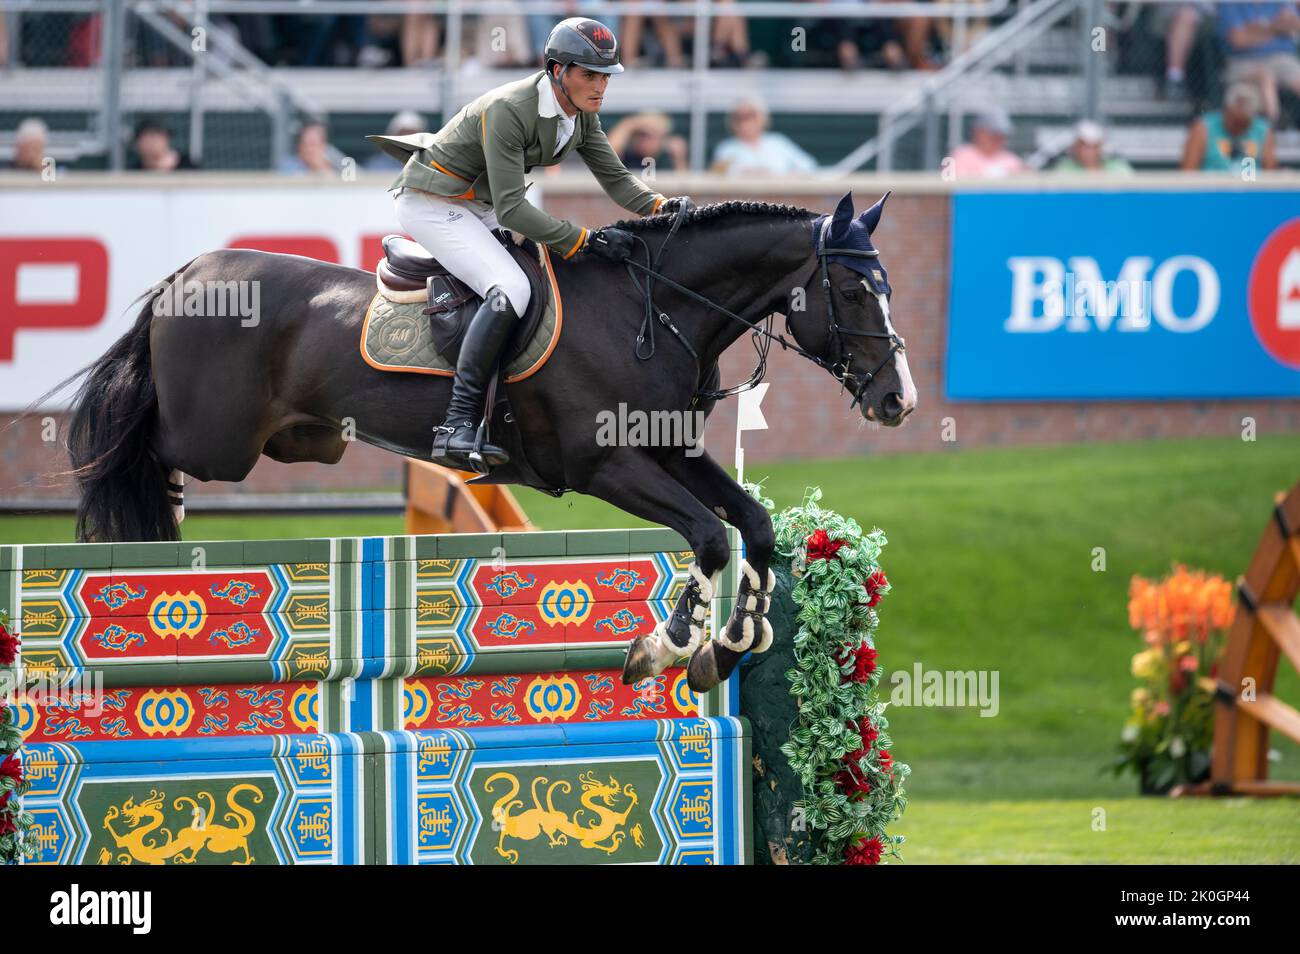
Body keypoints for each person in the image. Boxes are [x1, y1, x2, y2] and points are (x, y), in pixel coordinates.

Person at [366, 18, 691, 472]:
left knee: (546, 276)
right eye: (589, 75)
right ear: (557, 70)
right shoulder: (509, 109)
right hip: (432, 202)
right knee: (512, 287)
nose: (600, 87)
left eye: (605, 76)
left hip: (477, 202)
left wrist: (661, 207)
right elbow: (515, 210)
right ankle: (456, 424)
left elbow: (616, 179)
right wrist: (585, 239)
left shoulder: (581, 115)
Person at [1217, 1, 1300, 121]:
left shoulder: (1282, 2)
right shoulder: (1229, 4)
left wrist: (1256, 29)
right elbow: (1239, 39)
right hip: (1243, 61)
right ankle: (1273, 126)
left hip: (1281, 58)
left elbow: (1294, 25)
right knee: (1265, 78)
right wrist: (1275, 28)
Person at [1180, 81, 1277, 171]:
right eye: (1236, 123)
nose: (1239, 129)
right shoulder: (1203, 128)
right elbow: (1188, 173)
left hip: (1251, 187)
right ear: (1226, 109)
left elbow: (1271, 175)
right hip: (1213, 187)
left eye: (1244, 125)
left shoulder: (1263, 130)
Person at [710, 99, 817, 176]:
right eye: (739, 118)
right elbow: (718, 176)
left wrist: (783, 176)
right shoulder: (726, 148)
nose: (746, 123)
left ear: (761, 118)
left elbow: (808, 165)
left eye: (751, 116)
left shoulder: (778, 142)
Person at [948, 108, 1025, 178]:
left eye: (1001, 136)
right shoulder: (960, 156)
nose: (998, 140)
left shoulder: (1012, 160)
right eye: (993, 135)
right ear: (978, 132)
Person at [606, 112, 687, 172]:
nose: (643, 139)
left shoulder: (667, 160)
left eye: (649, 135)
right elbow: (607, 158)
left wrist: (679, 157)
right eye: (639, 134)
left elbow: (684, 187)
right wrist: (629, 125)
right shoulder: (628, 156)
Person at [1050, 120, 1135, 174]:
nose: (1087, 151)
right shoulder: (1065, 168)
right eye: (1082, 146)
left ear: (1100, 147)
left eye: (1092, 146)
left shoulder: (1117, 167)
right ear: (1075, 148)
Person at [128, 118, 198, 171]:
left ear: (166, 139)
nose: (151, 144)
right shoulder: (134, 172)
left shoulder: (188, 167)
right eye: (146, 139)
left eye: (154, 137)